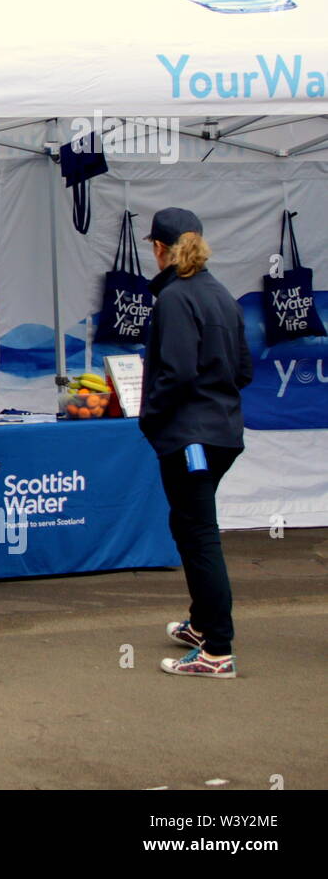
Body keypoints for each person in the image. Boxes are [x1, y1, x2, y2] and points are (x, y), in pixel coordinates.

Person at [139, 208, 251, 679]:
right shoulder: (222, 295)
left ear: (160, 249)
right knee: (189, 527)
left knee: (199, 533)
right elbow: (244, 370)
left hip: (191, 436)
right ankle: (203, 624)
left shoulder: (175, 299)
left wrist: (151, 416)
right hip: (221, 432)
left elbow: (179, 372)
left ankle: (217, 649)